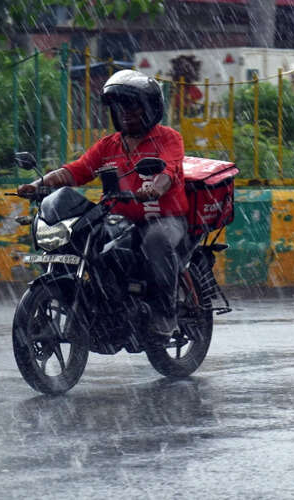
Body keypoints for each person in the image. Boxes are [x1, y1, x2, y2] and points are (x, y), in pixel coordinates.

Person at [17, 69, 188, 338]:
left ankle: (165, 314)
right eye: (120, 107)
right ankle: (102, 304)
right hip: (120, 219)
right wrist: (39, 185)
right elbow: (76, 170)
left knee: (155, 241)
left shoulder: (168, 138)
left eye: (132, 106)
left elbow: (169, 170)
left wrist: (155, 189)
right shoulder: (109, 145)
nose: (125, 112)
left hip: (163, 219)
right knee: (86, 240)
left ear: (151, 108)